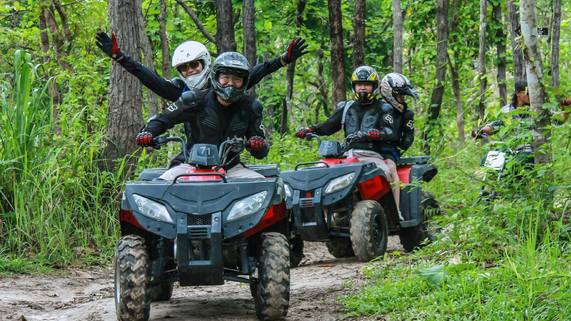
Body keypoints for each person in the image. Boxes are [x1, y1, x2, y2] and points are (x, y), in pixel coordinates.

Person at [135, 52, 269, 180]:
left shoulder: (251, 107)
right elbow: (163, 119)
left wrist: (257, 144)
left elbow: (261, 150)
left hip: (231, 168)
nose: (230, 83)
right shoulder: (193, 100)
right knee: (158, 190)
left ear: (244, 82)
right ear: (216, 77)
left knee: (264, 189)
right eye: (225, 77)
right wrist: (148, 133)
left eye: (237, 79)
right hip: (191, 165)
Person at [295, 66, 401, 217]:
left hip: (372, 156)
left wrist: (378, 133)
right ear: (354, 87)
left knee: (386, 173)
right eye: (359, 84)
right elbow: (329, 126)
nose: (362, 87)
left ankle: (395, 212)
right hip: (347, 156)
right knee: (318, 172)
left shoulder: (383, 107)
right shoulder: (346, 107)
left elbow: (391, 131)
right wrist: (310, 130)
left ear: (374, 86)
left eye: (366, 84)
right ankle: (325, 217)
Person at [95, 32, 308, 102]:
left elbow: (255, 73)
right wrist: (120, 57)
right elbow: (148, 76)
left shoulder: (225, 85)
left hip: (228, 156)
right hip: (192, 157)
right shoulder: (180, 92)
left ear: (205, 62)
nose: (190, 71)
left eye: (194, 64)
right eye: (184, 68)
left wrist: (283, 59)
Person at [471, 81, 571, 165]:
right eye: (527, 93)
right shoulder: (507, 111)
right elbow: (495, 126)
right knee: (487, 160)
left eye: (531, 93)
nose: (530, 96)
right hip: (509, 151)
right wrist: (481, 131)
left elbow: (559, 119)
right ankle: (489, 189)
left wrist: (567, 110)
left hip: (529, 151)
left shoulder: (538, 109)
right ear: (518, 93)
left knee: (517, 163)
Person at [378, 73, 419, 216]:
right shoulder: (375, 107)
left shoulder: (405, 112)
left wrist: (404, 144)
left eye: (403, 96)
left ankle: (396, 210)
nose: (402, 99)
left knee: (391, 168)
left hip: (389, 148)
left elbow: (408, 134)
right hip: (367, 147)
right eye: (400, 95)